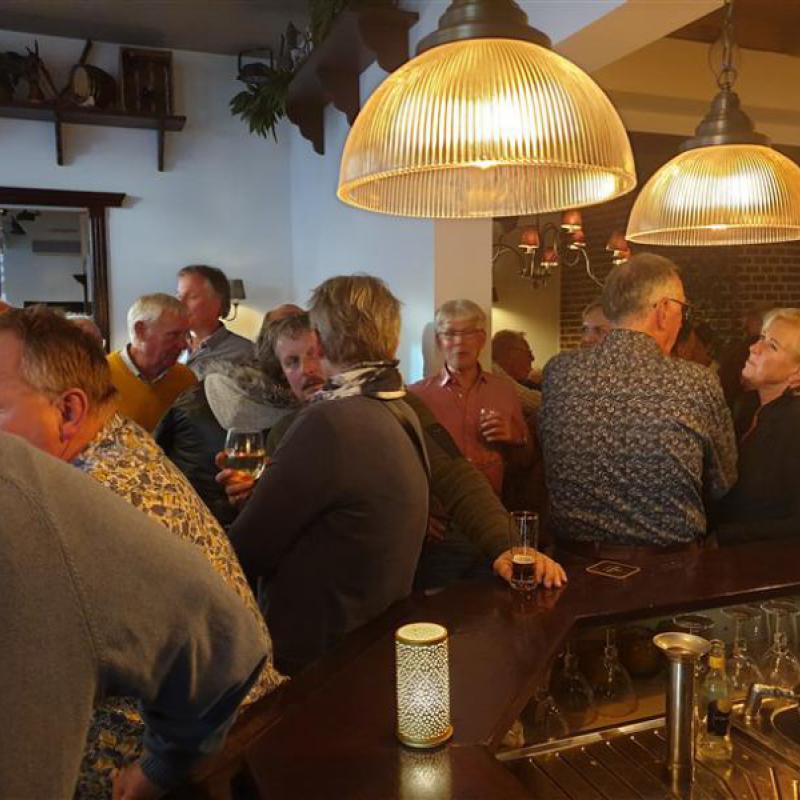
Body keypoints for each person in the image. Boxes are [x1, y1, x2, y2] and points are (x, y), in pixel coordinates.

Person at [0, 307, 284, 795]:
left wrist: (158, 768)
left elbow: (230, 654)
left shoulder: (84, 506)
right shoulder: (115, 441)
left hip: (191, 764)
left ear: (68, 411)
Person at [0, 431, 268, 800]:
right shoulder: (115, 453)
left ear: (70, 412)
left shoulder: (69, 496)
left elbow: (225, 642)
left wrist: (160, 767)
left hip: (229, 743)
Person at [220, 313, 566, 592]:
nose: (306, 370)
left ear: (334, 355)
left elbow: (455, 474)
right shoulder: (283, 433)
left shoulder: (391, 404)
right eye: (292, 362)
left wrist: (509, 546)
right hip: (318, 603)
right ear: (282, 374)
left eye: (314, 355)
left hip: (384, 591)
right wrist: (251, 499)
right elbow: (270, 534)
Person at [228, 275, 429, 676]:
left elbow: (245, 550)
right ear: (391, 339)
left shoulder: (330, 422)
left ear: (319, 341)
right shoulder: (400, 408)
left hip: (318, 662)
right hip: (371, 646)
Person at [539, 253, 737, 553]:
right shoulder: (696, 382)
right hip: (668, 567)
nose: (682, 319)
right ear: (663, 311)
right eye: (682, 308)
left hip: (568, 565)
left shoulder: (559, 371)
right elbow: (723, 482)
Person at [156, 307, 300, 527]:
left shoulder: (197, 394)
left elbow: (158, 455)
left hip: (184, 524)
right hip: (248, 531)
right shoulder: (304, 416)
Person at [715, 308, 800, 544]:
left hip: (763, 561)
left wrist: (723, 536)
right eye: (762, 337)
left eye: (772, 345)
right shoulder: (747, 406)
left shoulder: (795, 423)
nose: (754, 347)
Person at [107, 293, 197, 432]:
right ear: (140, 331)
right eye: (173, 335)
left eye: (186, 335)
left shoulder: (186, 379)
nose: (183, 345)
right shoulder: (99, 377)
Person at [177, 265, 254, 377]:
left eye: (192, 297)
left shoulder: (245, 352)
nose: (181, 303)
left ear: (218, 302)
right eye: (179, 296)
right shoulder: (168, 345)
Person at [491, 328, 541, 415]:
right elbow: (535, 403)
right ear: (512, 353)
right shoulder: (493, 373)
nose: (532, 358)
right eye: (528, 353)